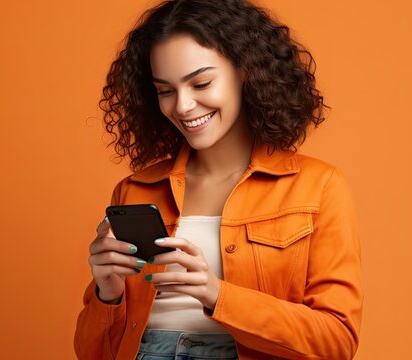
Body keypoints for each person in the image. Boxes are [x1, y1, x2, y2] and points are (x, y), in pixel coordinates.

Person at [73, 0, 363, 359]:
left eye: (201, 82)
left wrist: (216, 294)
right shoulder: (134, 190)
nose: (182, 106)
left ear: (246, 72)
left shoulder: (318, 186)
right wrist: (108, 293)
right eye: (165, 90)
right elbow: (92, 353)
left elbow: (337, 342)